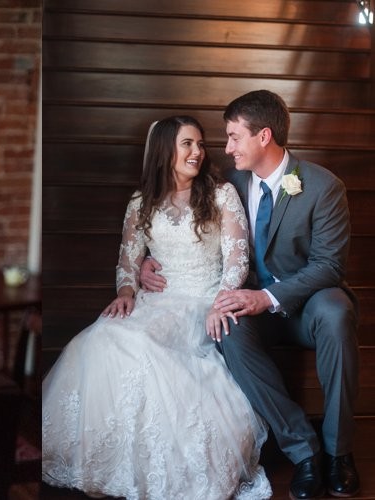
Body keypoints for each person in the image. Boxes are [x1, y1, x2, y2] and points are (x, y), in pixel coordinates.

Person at [141, 90, 359, 499]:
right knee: (228, 329)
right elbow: (181, 223)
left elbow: (329, 266)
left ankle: (339, 452)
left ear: (264, 136)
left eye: (233, 137)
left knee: (337, 312)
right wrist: (146, 261)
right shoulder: (229, 182)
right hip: (251, 304)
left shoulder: (323, 186)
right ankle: (303, 450)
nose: (226, 148)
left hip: (309, 303)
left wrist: (268, 298)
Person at [42, 115, 271, 499]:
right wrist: (127, 290)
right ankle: (116, 457)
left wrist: (221, 302)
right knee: (100, 338)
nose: (197, 151)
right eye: (187, 144)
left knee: (144, 348)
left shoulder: (221, 194)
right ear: (165, 150)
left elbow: (237, 260)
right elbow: (128, 260)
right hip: (156, 300)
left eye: (199, 144)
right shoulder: (141, 201)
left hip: (200, 302)